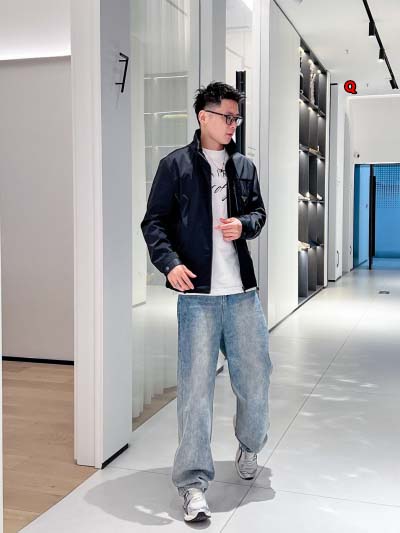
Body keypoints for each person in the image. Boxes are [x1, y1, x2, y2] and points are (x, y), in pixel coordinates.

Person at [141, 81, 272, 523]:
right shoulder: (175, 166)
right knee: (195, 391)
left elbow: (259, 213)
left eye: (236, 118)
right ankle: (193, 483)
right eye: (227, 117)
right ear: (203, 117)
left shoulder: (244, 166)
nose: (233, 125)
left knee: (256, 378)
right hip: (198, 297)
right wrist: (169, 264)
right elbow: (154, 222)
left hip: (242, 295)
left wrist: (244, 225)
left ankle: (250, 445)